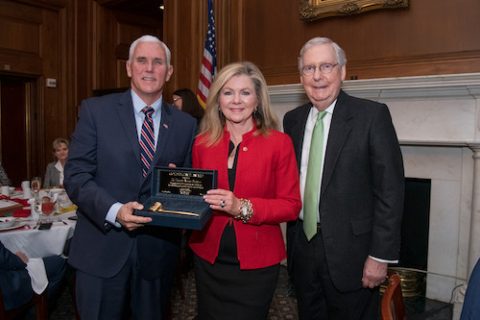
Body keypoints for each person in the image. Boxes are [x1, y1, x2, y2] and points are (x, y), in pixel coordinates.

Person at [64, 35, 197, 319]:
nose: (149, 68)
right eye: (142, 60)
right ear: (128, 68)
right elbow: (76, 176)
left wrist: (178, 189)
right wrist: (114, 211)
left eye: (158, 62)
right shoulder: (95, 111)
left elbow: (185, 190)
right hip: (101, 250)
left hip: (156, 255)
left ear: (169, 71)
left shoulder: (185, 124)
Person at [283, 37, 405, 320]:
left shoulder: (372, 116)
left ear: (342, 70)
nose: (318, 76)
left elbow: (391, 191)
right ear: (301, 76)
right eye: (309, 68)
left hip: (354, 255)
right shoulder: (293, 120)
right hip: (303, 247)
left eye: (326, 66)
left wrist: (380, 256)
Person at [189, 61, 302, 319]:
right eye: (228, 93)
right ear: (218, 100)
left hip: (258, 262)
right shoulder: (202, 143)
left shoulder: (280, 143)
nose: (236, 100)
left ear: (258, 100)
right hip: (208, 257)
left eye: (245, 93)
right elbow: (196, 195)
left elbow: (291, 205)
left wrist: (241, 207)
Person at [0, 241, 66, 312]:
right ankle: (37, 313)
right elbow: (5, 258)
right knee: (57, 261)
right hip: (7, 287)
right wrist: (19, 259)